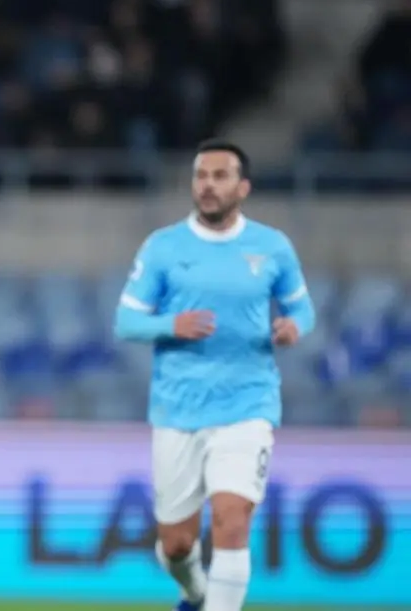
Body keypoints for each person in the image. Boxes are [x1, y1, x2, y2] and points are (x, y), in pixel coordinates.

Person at [112, 139, 314, 611]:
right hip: (178, 410)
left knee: (232, 520)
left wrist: (293, 327)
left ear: (243, 188)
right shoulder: (163, 247)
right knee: (177, 545)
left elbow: (303, 309)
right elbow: (125, 321)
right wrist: (170, 325)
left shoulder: (272, 247)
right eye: (201, 176)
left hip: (248, 404)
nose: (207, 185)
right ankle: (194, 591)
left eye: (220, 176)